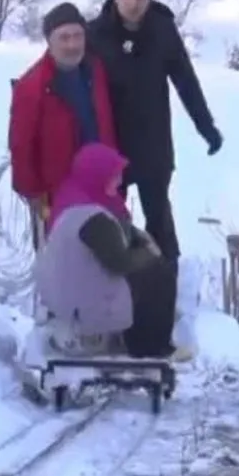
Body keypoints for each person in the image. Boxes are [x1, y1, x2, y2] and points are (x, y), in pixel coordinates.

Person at [86, 0, 222, 357]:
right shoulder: (96, 34)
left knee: (158, 217)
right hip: (110, 147)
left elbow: (185, 81)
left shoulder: (162, 30)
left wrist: (206, 127)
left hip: (152, 145)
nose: (132, 3)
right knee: (109, 223)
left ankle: (164, 301)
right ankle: (110, 303)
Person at [30, 143, 163, 360]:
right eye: (114, 175)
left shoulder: (73, 199)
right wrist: (150, 253)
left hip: (64, 302)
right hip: (84, 312)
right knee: (155, 275)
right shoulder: (93, 217)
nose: (119, 181)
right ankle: (149, 346)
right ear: (97, 176)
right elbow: (119, 261)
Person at [9, 2, 117, 235]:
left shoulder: (95, 71)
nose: (72, 45)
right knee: (65, 254)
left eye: (78, 36)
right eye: (64, 38)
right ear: (49, 41)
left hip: (100, 186)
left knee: (107, 251)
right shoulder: (32, 86)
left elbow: (106, 124)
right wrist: (35, 196)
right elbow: (21, 146)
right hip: (59, 195)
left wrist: (114, 169)